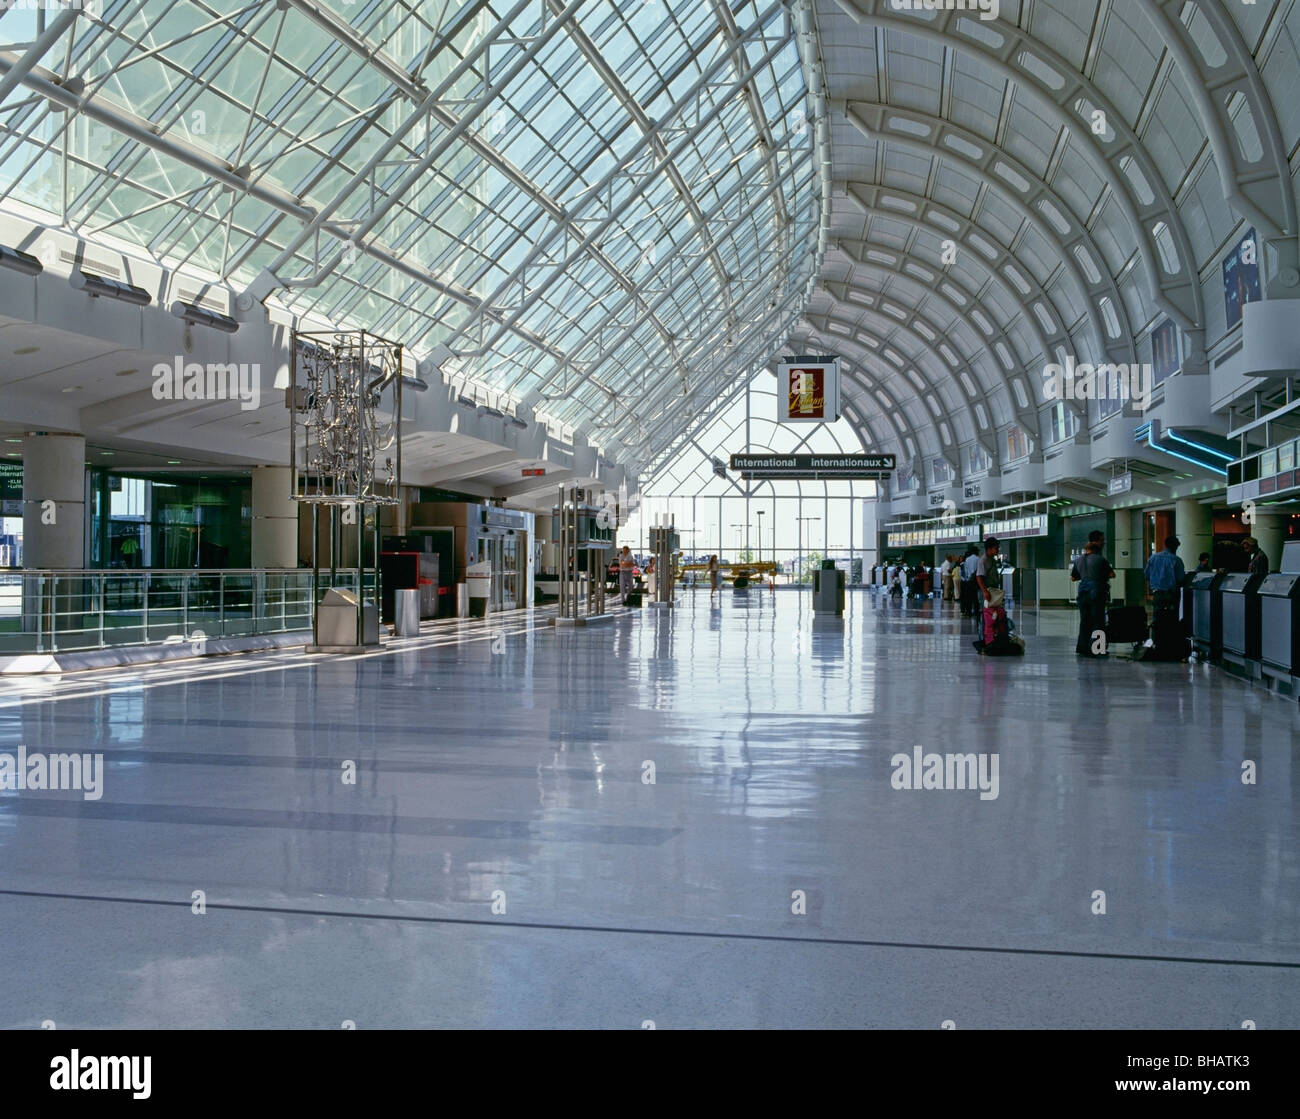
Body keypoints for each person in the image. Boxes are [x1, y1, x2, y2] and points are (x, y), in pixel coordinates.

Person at [1071, 530, 1115, 657]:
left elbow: (1074, 578)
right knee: (1098, 621)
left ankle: (1082, 647)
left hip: (1082, 592)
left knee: (1085, 621)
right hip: (1096, 592)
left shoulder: (1078, 560)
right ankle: (1097, 648)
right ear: (1096, 548)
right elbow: (1112, 574)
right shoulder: (1100, 560)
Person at [1145, 535, 1187, 660]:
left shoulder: (1153, 558)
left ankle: (1157, 645)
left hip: (1157, 594)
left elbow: (1146, 575)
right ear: (1175, 546)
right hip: (1170, 595)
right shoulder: (1176, 560)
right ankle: (1169, 648)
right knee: (1171, 619)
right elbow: (1181, 579)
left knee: (1157, 619)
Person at [974, 537, 1001, 610]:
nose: (998, 550)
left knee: (992, 613)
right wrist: (985, 592)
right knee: (986, 613)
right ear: (989, 549)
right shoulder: (983, 560)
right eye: (996, 548)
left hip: (992, 590)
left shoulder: (992, 559)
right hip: (986, 591)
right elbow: (979, 577)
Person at [959, 544, 979, 617]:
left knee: (968, 597)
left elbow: (966, 571)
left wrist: (967, 578)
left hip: (968, 580)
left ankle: (969, 612)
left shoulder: (967, 559)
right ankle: (976, 612)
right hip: (976, 580)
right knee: (976, 597)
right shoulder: (978, 559)